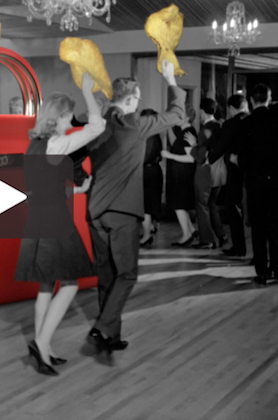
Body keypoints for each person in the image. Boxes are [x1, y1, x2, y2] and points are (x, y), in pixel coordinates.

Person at [85, 60, 185, 360]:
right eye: (138, 100)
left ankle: (110, 336)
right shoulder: (136, 125)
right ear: (129, 101)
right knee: (126, 274)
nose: (139, 105)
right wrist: (170, 79)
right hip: (122, 213)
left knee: (107, 276)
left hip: (95, 212)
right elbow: (178, 113)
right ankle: (102, 327)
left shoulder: (98, 125)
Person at [15, 73, 104, 376]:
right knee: (69, 285)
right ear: (60, 116)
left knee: (46, 285)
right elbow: (97, 127)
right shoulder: (56, 144)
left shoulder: (35, 146)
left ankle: (44, 347)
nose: (70, 121)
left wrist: (75, 190)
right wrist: (88, 92)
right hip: (55, 221)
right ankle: (41, 343)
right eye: (68, 116)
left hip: (38, 219)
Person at [239, 83, 278, 285]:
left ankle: (261, 271)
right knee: (274, 226)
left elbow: (242, 159)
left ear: (251, 100)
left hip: (255, 182)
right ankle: (275, 269)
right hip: (276, 182)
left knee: (258, 228)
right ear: (269, 98)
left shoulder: (246, 123)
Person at [191, 98, 227, 249]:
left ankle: (207, 240)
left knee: (202, 206)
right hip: (220, 172)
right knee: (212, 205)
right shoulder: (220, 126)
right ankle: (221, 234)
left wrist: (193, 146)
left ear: (202, 111)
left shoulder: (204, 131)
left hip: (205, 173)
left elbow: (200, 157)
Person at [219, 94, 250, 257]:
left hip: (234, 171)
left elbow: (222, 146)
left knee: (233, 208)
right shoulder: (252, 121)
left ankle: (239, 247)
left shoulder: (229, 124)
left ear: (231, 108)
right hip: (253, 171)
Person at [162, 109, 198, 246]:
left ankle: (186, 235)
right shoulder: (183, 131)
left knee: (179, 204)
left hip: (182, 174)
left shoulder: (188, 132)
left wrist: (170, 156)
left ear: (187, 117)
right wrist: (168, 126)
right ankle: (191, 230)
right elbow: (175, 143)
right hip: (180, 173)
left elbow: (191, 158)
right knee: (180, 204)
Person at [139, 108, 163, 247]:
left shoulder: (147, 135)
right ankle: (150, 228)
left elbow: (145, 157)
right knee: (151, 203)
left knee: (145, 205)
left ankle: (147, 235)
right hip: (154, 170)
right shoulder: (155, 133)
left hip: (147, 172)